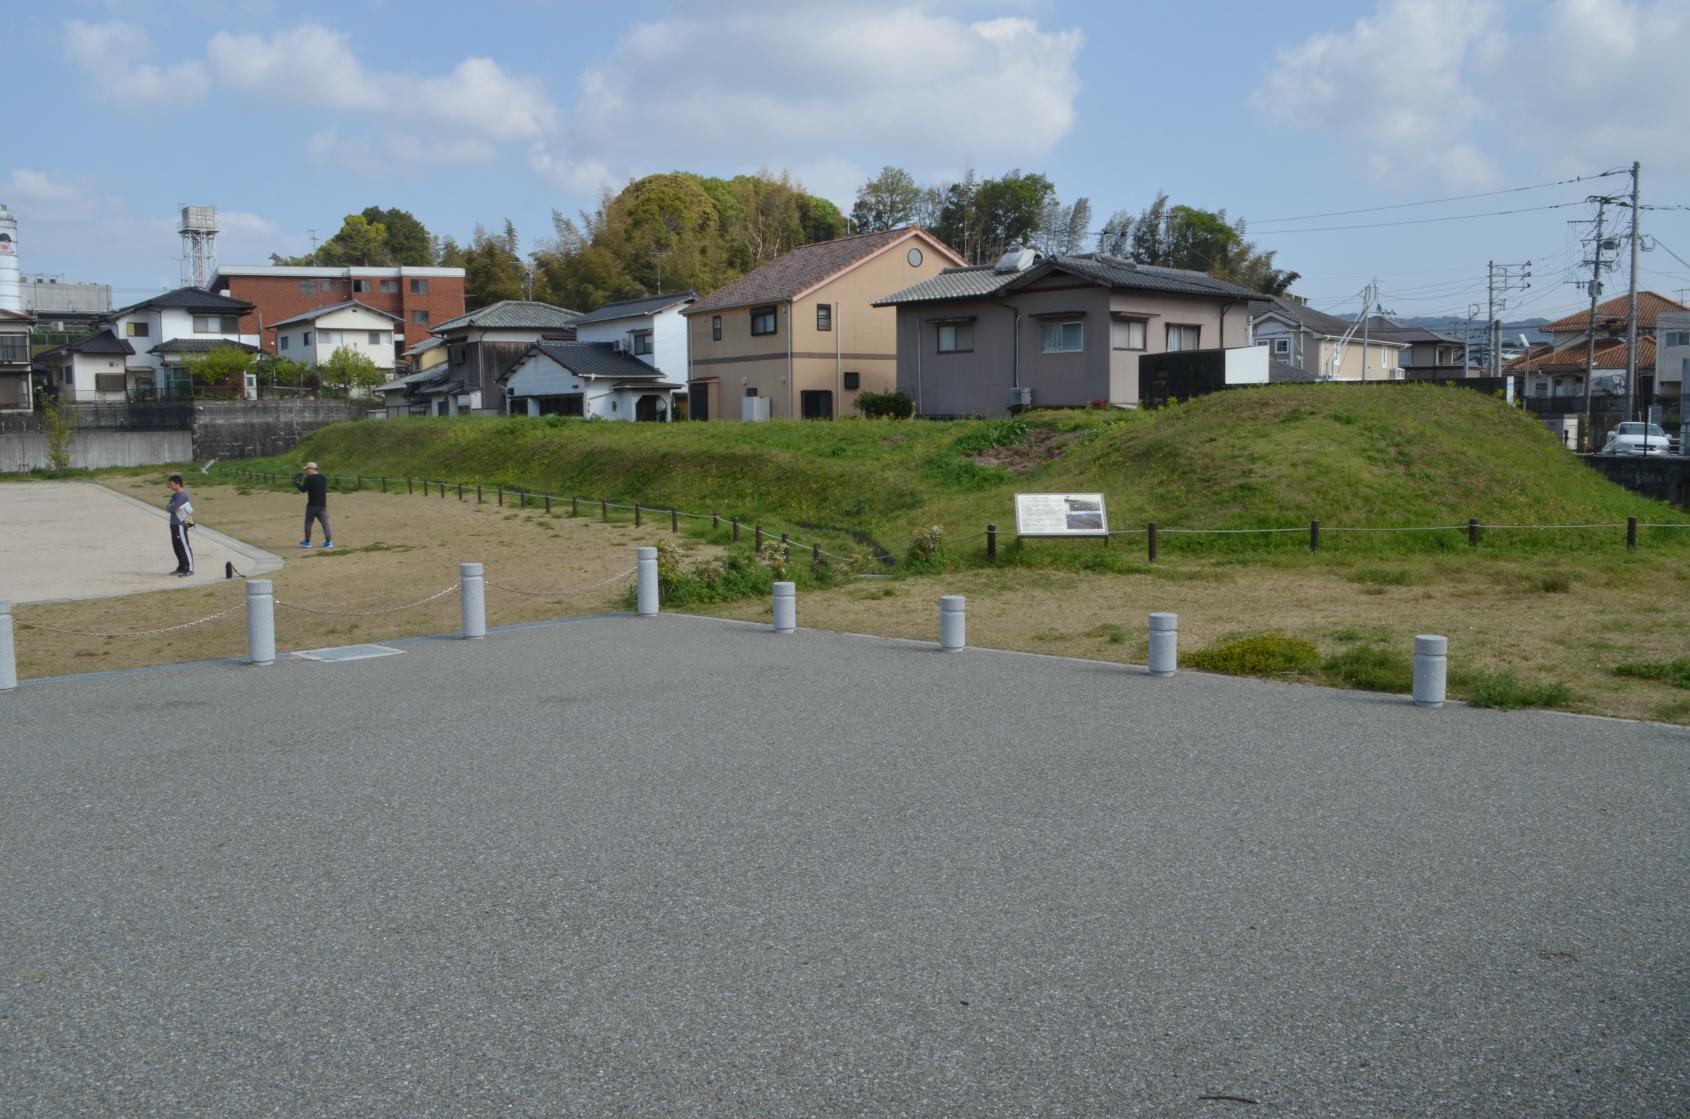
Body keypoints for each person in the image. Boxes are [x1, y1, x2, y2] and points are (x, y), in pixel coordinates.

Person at [293, 461, 333, 548]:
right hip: (322, 505)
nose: (306, 471)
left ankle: (307, 542)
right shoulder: (323, 478)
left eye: (307, 469)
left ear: (312, 469)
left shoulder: (309, 478)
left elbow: (303, 490)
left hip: (312, 506)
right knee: (325, 524)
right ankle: (329, 542)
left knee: (308, 524)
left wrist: (297, 484)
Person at [165, 474, 194, 577]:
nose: (170, 486)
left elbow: (171, 507)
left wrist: (172, 507)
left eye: (171, 484)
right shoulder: (174, 496)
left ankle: (189, 568)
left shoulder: (183, 495)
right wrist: (173, 507)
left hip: (180, 524)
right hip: (173, 523)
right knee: (176, 547)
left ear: (177, 484)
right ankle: (181, 567)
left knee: (184, 546)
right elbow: (168, 508)